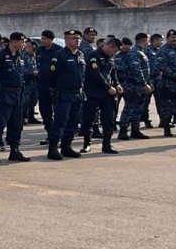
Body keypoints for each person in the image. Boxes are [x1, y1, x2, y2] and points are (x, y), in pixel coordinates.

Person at [0, 32, 30, 163]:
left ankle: (14, 150)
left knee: (16, 125)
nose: (24, 44)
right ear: (14, 42)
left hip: (18, 95)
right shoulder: (0, 56)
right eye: (21, 42)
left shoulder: (20, 56)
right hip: (3, 95)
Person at [45, 30, 87, 160]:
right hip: (64, 94)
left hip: (77, 93)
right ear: (67, 40)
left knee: (73, 123)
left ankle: (66, 146)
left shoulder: (80, 54)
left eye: (78, 38)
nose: (77, 40)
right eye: (74, 38)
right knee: (60, 123)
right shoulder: (59, 56)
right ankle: (52, 149)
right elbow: (51, 77)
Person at [80, 37, 122, 154]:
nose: (114, 54)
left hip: (107, 94)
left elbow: (113, 73)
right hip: (93, 92)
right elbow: (95, 74)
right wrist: (108, 87)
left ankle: (107, 144)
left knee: (108, 118)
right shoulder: (93, 55)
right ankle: (86, 143)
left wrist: (117, 84)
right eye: (114, 51)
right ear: (110, 46)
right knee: (89, 118)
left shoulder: (110, 58)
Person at [116, 37, 153, 141]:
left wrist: (148, 82)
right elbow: (136, 70)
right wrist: (144, 84)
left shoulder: (141, 52)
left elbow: (145, 70)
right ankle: (123, 131)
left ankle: (135, 130)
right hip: (133, 86)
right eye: (148, 40)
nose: (148, 43)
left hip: (140, 86)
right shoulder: (134, 53)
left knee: (138, 109)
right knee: (129, 108)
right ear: (144, 40)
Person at [154, 29, 176, 137]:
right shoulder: (162, 51)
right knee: (167, 108)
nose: (175, 40)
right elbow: (162, 67)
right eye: (172, 38)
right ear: (167, 39)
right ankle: (166, 128)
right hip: (168, 84)